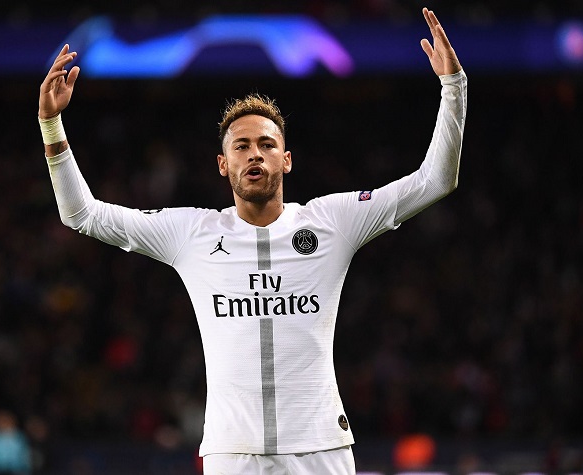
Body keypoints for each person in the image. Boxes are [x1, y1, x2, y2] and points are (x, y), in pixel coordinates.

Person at [37, 7, 466, 474]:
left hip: (320, 449)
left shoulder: (332, 221)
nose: (254, 155)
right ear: (224, 165)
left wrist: (453, 87)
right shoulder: (192, 233)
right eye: (241, 147)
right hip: (232, 454)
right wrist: (51, 126)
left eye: (266, 144)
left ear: (286, 160)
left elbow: (435, 181)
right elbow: (82, 214)